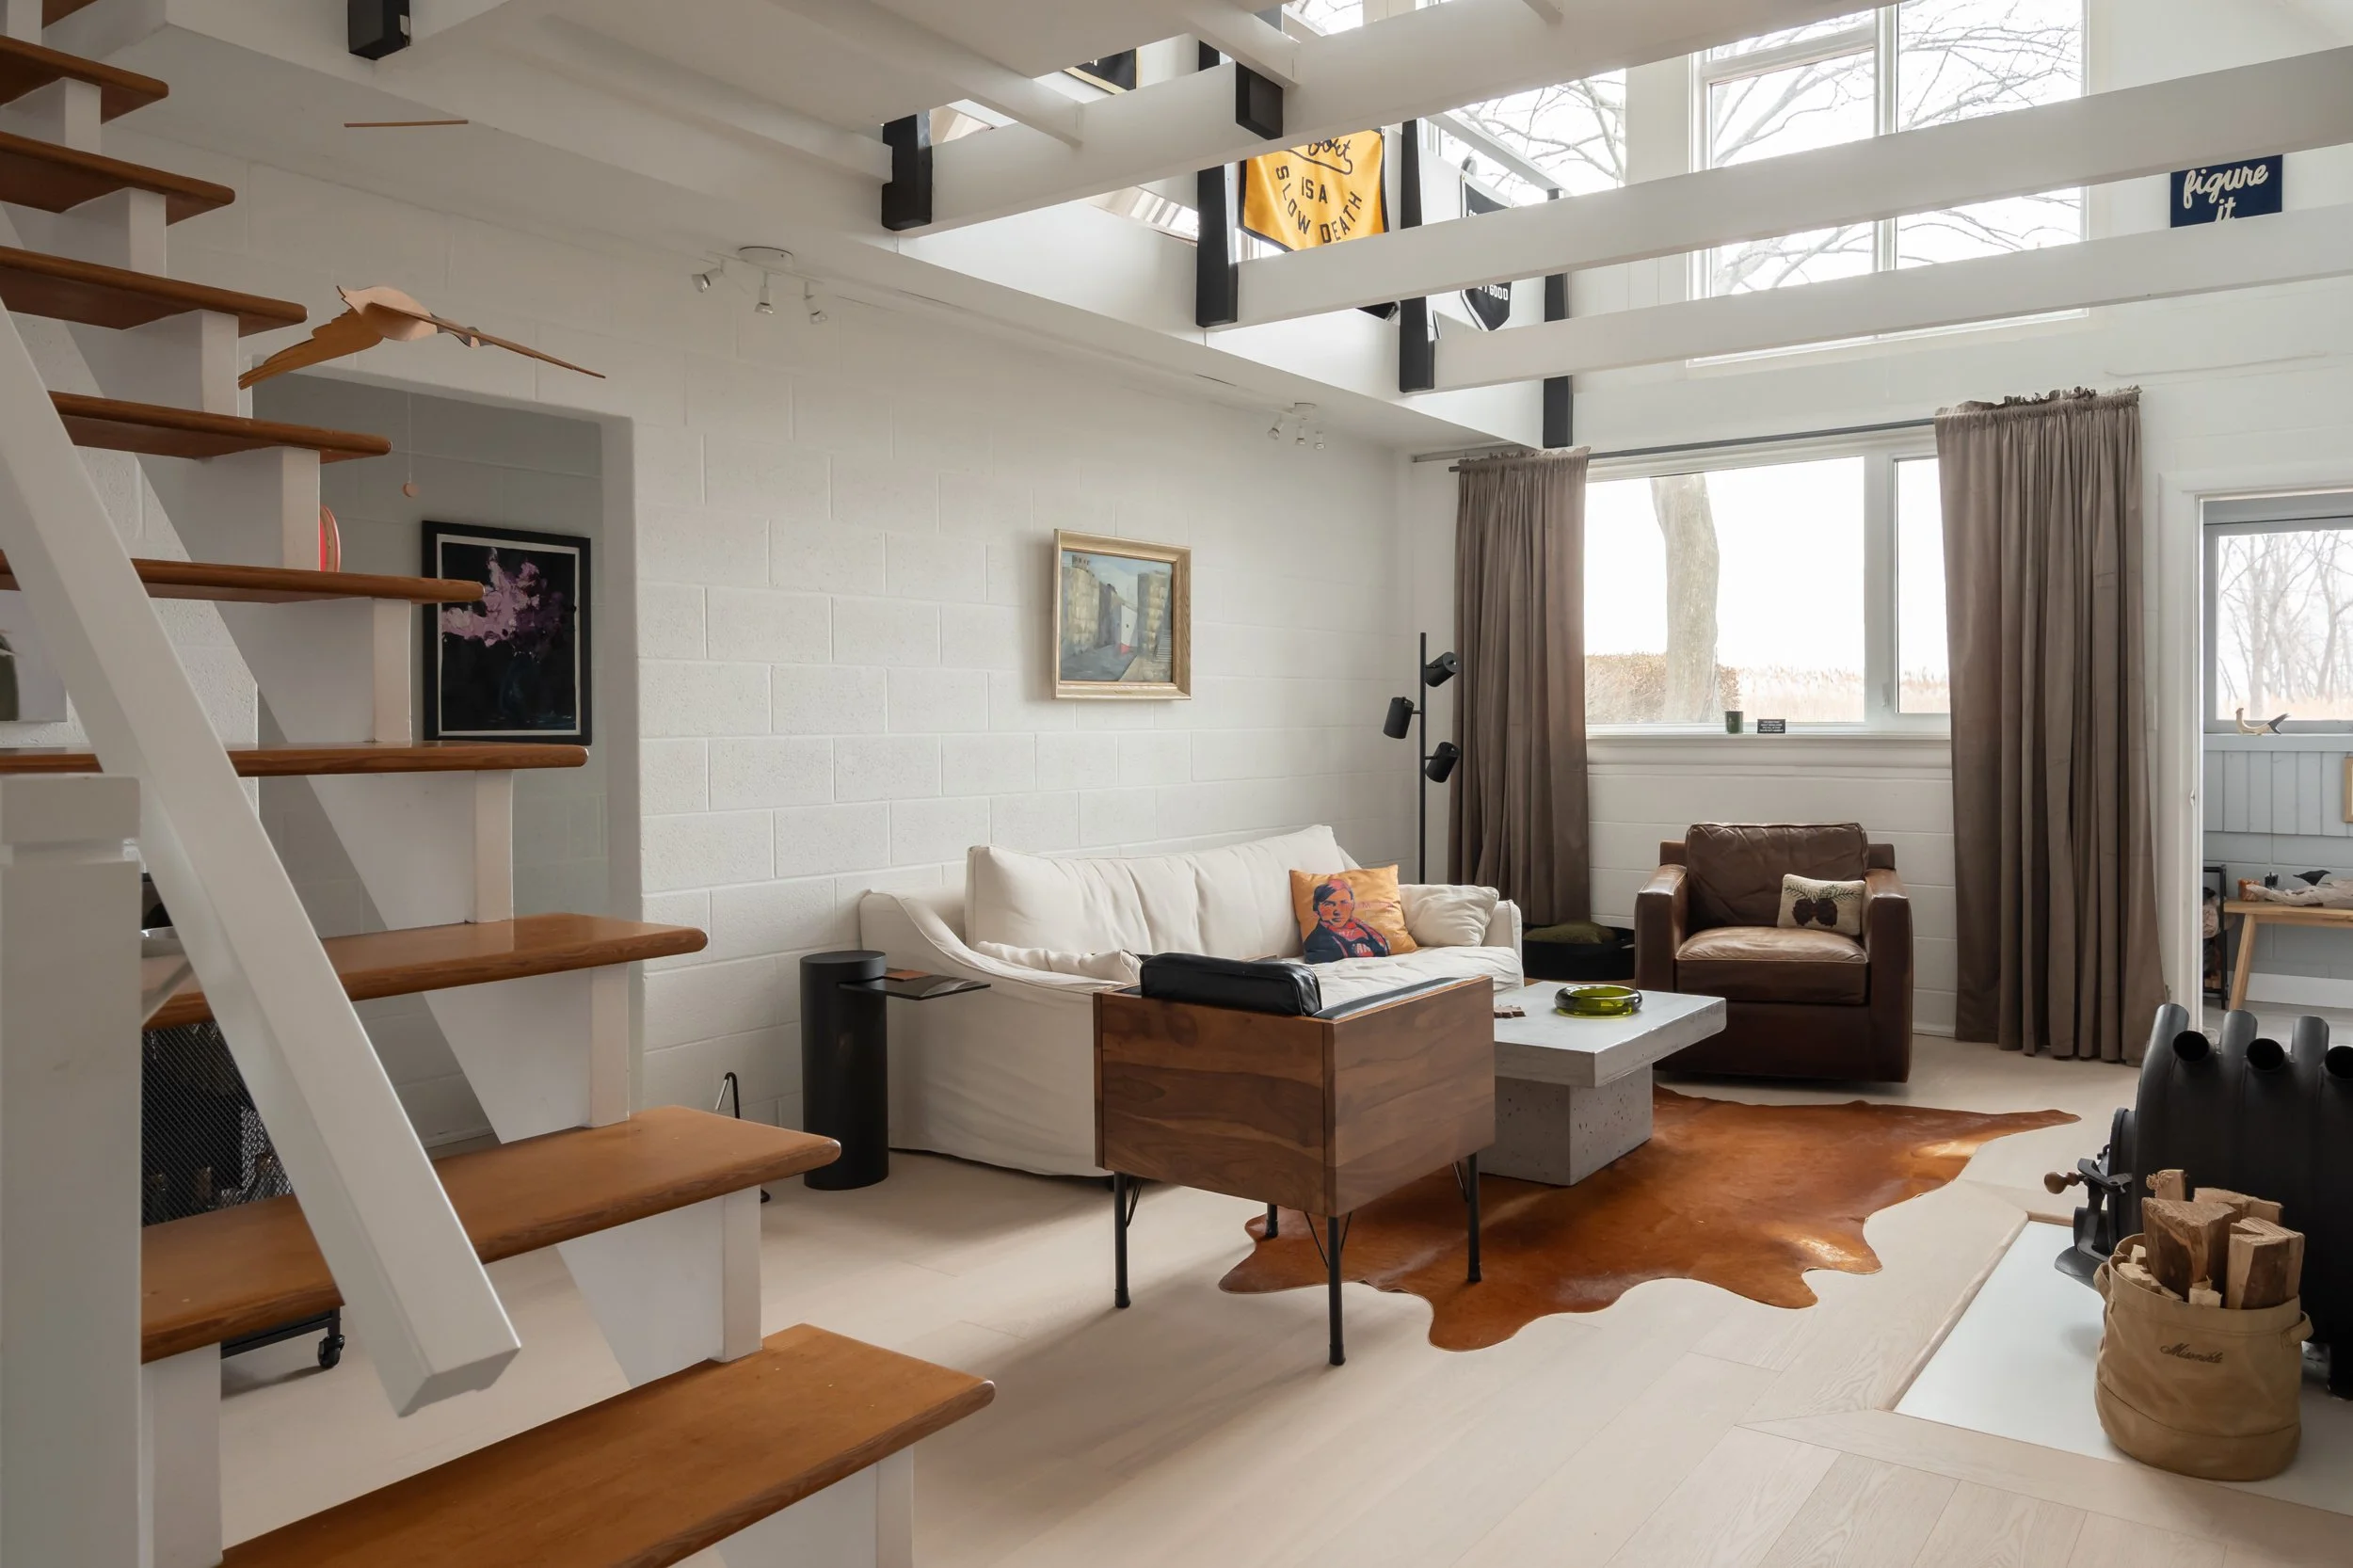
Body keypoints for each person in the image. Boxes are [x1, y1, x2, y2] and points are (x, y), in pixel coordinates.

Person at [1304, 877, 1390, 963]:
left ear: (1352, 905)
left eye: (1344, 903)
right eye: (1328, 904)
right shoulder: (1315, 942)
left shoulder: (1364, 928)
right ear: (1316, 909)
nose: (1338, 911)